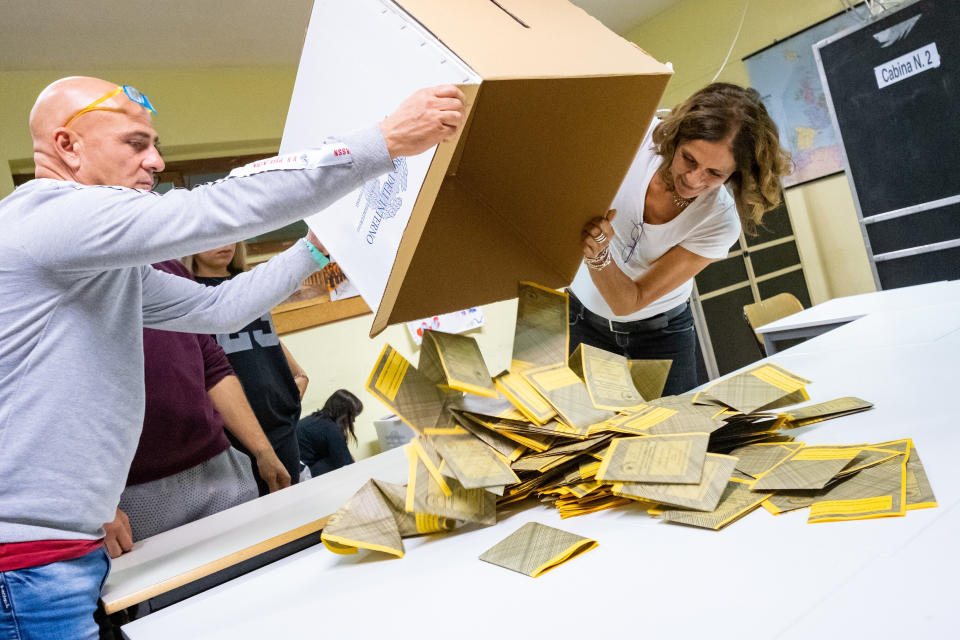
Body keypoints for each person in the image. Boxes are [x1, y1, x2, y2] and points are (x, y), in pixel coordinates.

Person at [0, 75, 464, 639]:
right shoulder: (44, 217)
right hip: (29, 564)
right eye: (135, 143)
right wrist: (384, 140)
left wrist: (316, 246)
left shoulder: (93, 262)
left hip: (63, 549)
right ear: (68, 145)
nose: (156, 160)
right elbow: (211, 212)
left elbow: (220, 309)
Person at [569, 82, 791, 396]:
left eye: (715, 174)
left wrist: (598, 256)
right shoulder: (635, 139)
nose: (693, 179)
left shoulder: (719, 220)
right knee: (587, 436)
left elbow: (627, 301)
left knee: (670, 437)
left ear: (735, 175)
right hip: (580, 321)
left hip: (661, 338)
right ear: (675, 137)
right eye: (689, 159)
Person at [114, 257, 291, 544]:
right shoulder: (73, 282)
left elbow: (213, 366)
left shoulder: (170, 270)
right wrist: (93, 506)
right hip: (133, 493)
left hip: (218, 467)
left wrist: (263, 450)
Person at [188, 242, 310, 494]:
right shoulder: (186, 292)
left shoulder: (249, 282)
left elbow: (264, 338)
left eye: (230, 234)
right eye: (213, 236)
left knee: (294, 513)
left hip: (281, 426)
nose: (224, 243)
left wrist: (295, 382)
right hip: (233, 438)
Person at [297, 389, 363, 477]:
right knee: (341, 463)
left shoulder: (316, 419)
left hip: (293, 468)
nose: (353, 420)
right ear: (343, 414)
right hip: (299, 474)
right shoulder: (331, 429)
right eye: (353, 416)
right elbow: (347, 465)